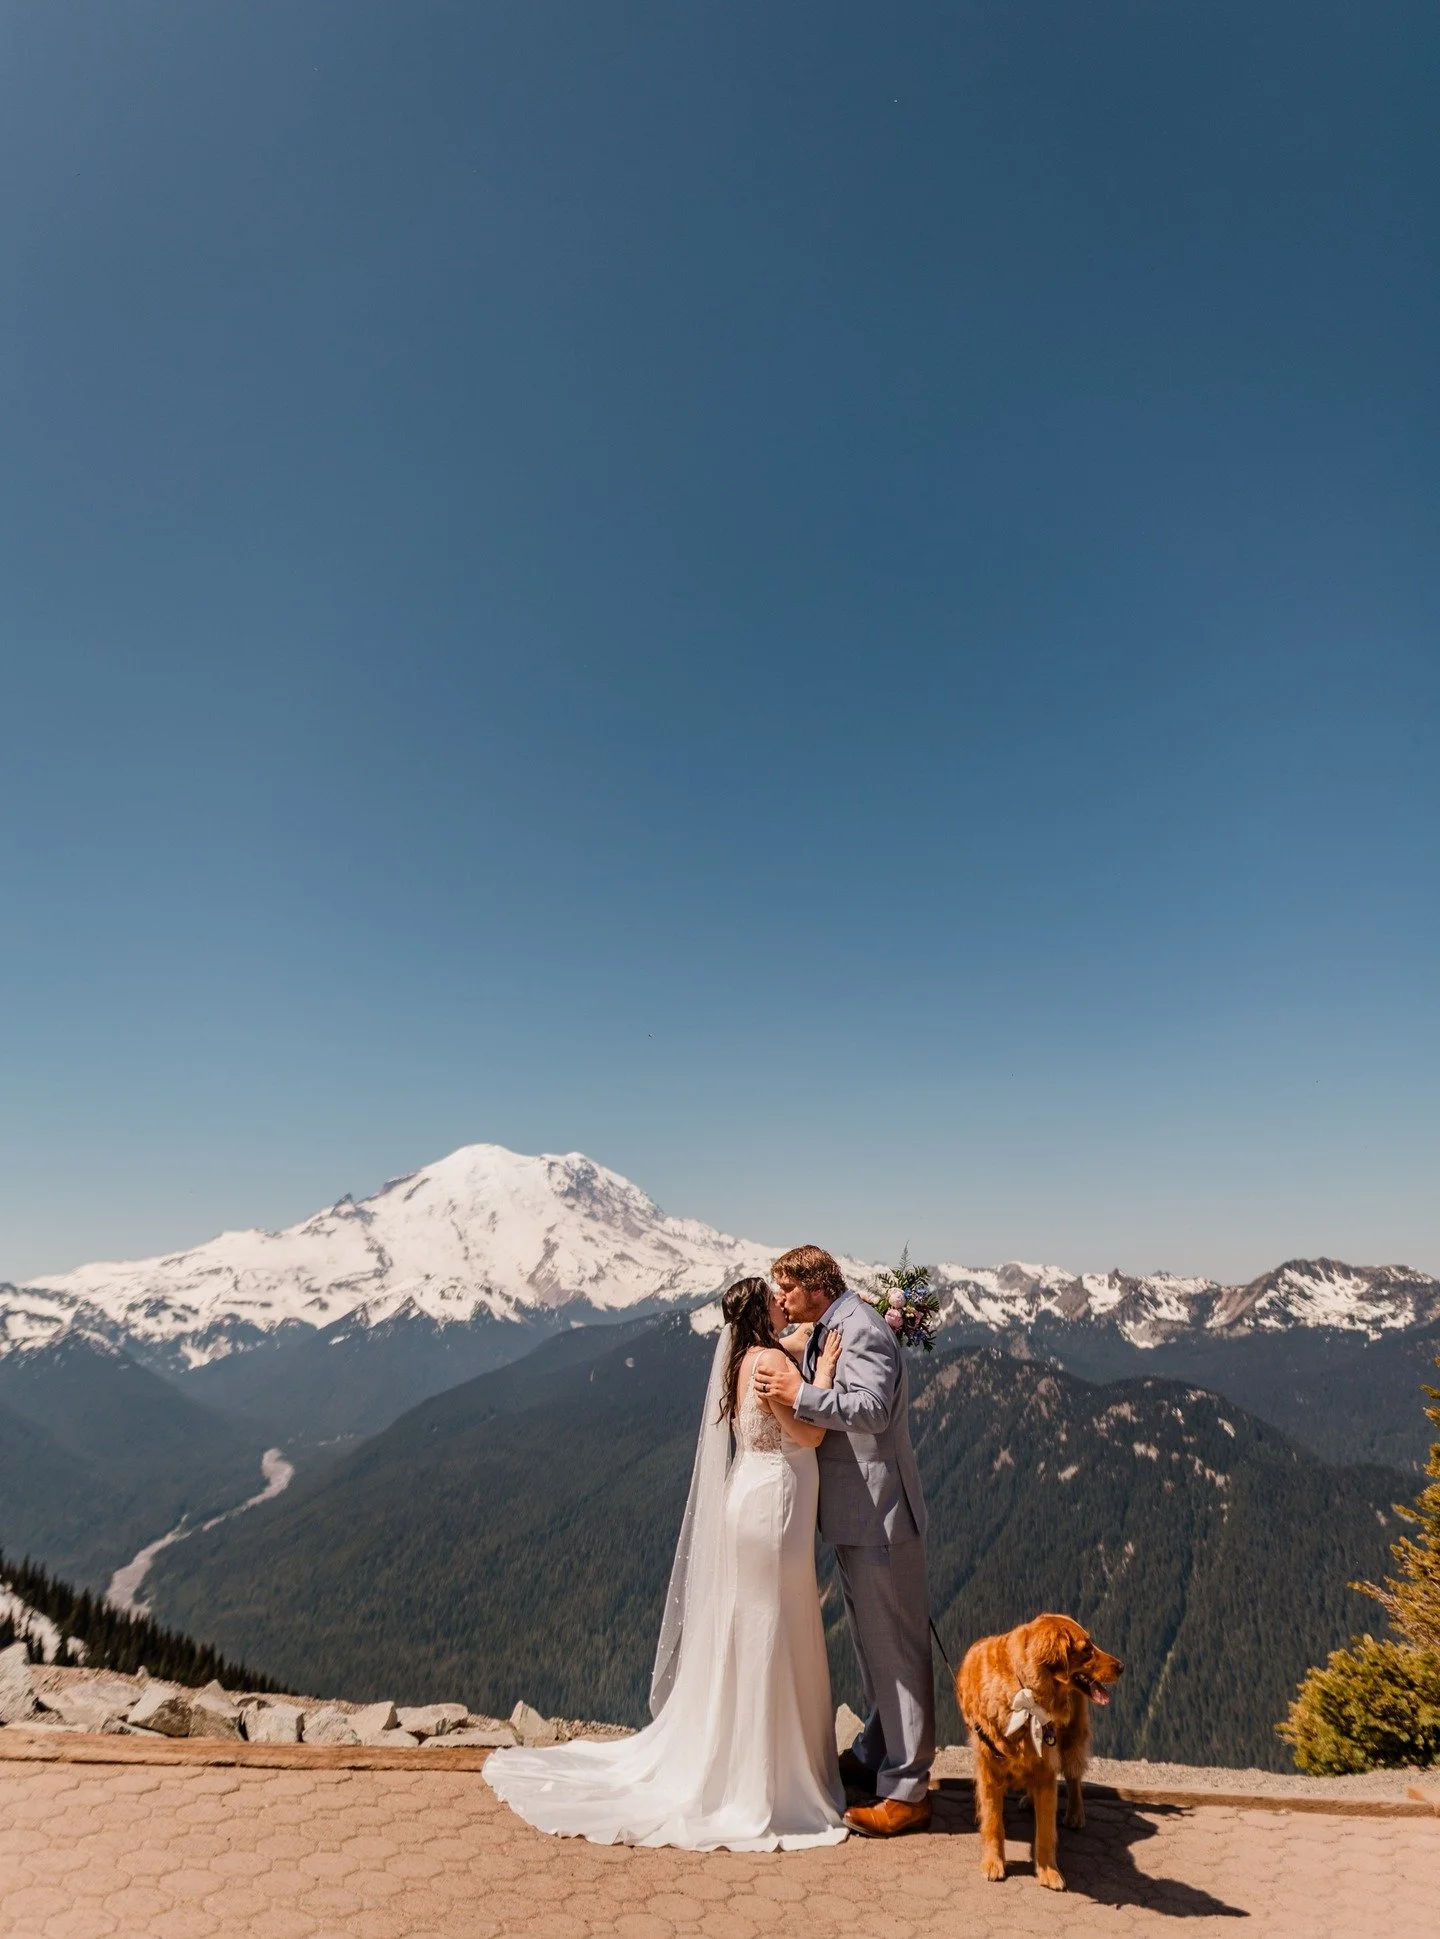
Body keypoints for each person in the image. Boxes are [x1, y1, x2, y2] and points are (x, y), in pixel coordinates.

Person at [484, 1276, 848, 1849]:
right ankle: (767, 1778)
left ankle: (746, 1758)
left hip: (752, 1493)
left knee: (755, 1620)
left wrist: (804, 1350)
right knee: (771, 1623)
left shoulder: (745, 1358)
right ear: (759, 1314)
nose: (786, 1306)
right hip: (774, 1501)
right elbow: (809, 1433)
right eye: (776, 1302)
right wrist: (823, 1375)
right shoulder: (769, 1364)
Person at [752, 1243, 935, 1835]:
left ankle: (907, 1789)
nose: (781, 1299)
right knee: (874, 1647)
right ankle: (874, 1754)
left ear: (815, 1286)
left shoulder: (860, 1330)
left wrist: (798, 1397)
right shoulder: (835, 1325)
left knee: (899, 1655)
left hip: (880, 1515)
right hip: (860, 1516)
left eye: (788, 1289)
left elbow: (876, 1409)